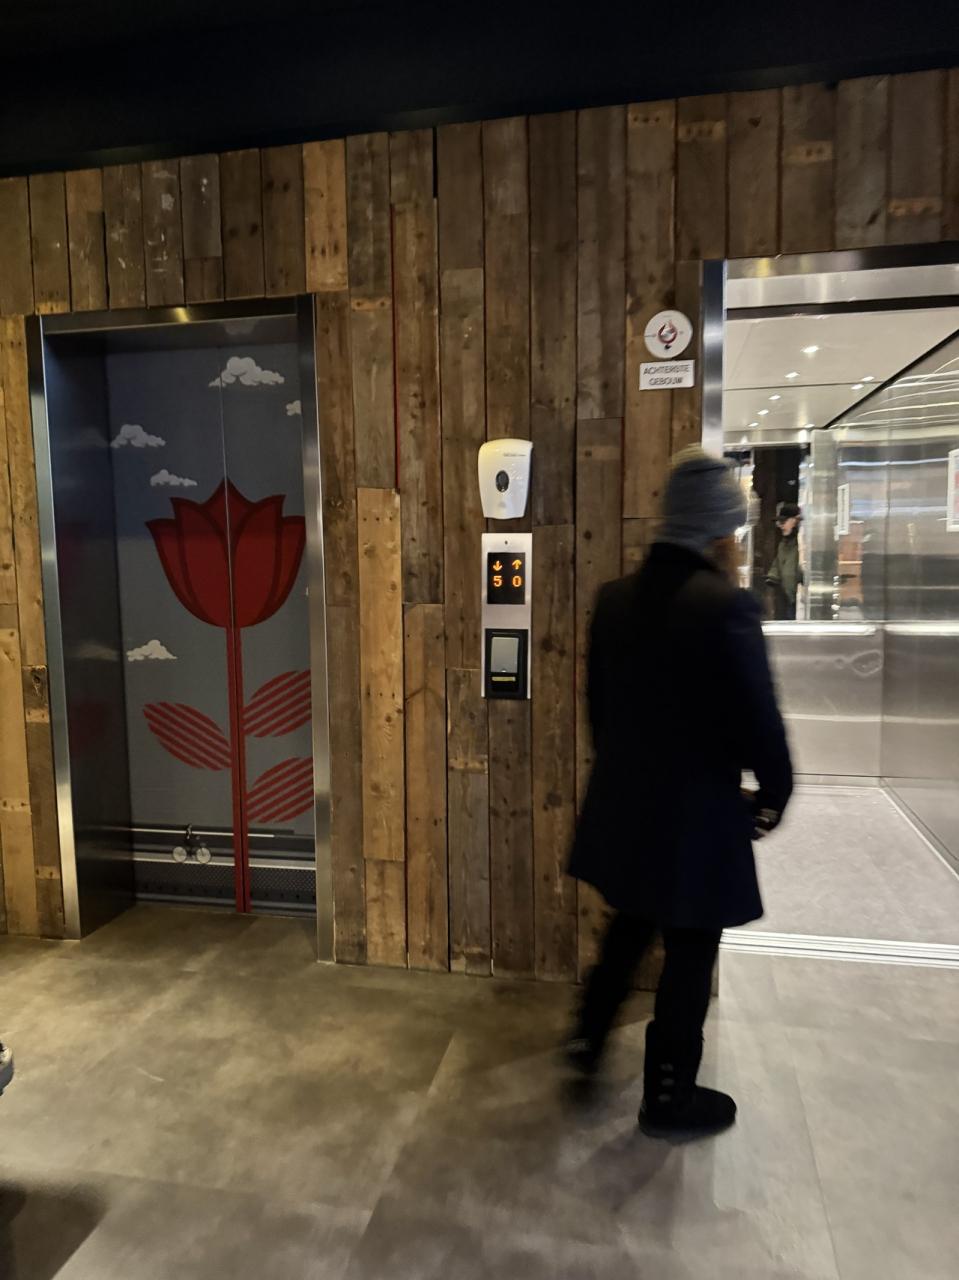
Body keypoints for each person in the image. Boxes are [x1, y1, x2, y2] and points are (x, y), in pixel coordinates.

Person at [567, 447, 793, 1138]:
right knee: (691, 952)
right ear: (720, 532)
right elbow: (760, 720)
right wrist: (774, 793)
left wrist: (628, 776)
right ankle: (667, 1098)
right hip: (697, 817)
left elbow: (599, 711)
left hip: (626, 804)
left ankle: (585, 1043)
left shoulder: (614, 599)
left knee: (631, 924)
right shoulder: (726, 606)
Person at [765, 502, 803, 620]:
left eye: (783, 521)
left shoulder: (802, 545)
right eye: (779, 522)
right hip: (788, 596)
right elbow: (778, 562)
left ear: (795, 521)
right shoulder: (783, 543)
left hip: (800, 596)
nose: (780, 525)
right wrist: (772, 577)